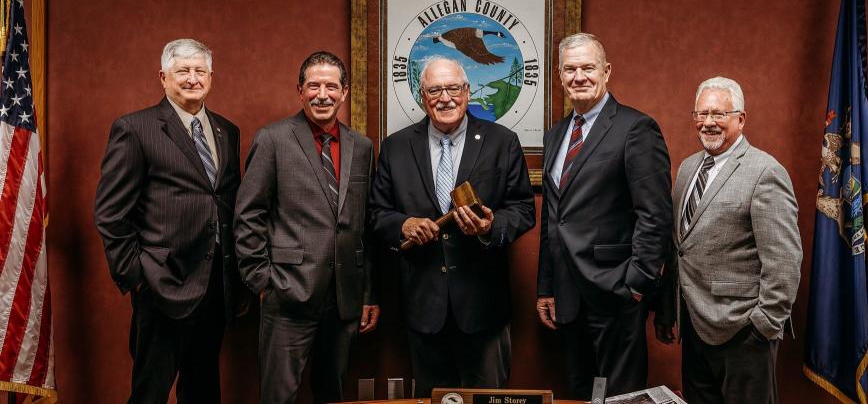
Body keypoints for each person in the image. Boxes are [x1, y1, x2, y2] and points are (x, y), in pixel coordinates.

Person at [369, 56, 535, 397]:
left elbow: (522, 209)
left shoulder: (502, 141)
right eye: (434, 90)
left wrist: (490, 226)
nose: (445, 98)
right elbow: (376, 213)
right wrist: (404, 224)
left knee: (489, 399)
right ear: (422, 95)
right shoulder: (396, 147)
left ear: (468, 92)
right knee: (433, 398)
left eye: (453, 88)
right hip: (423, 307)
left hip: (483, 307)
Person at [94, 38, 242, 404]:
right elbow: (110, 214)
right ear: (163, 77)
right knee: (150, 392)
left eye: (200, 71)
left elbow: (226, 201)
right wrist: (138, 276)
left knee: (204, 390)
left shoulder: (227, 130)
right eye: (182, 71)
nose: (192, 79)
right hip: (161, 286)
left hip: (215, 286)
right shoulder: (136, 128)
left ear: (211, 76)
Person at [234, 51, 379, 404]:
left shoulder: (361, 147)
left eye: (331, 86)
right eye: (313, 86)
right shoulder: (273, 139)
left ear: (344, 92)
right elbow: (247, 215)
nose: (322, 94)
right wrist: (262, 282)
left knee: (331, 393)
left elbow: (364, 227)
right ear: (300, 91)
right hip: (287, 295)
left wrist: (366, 294)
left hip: (343, 299)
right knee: (279, 397)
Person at [536, 32, 672, 399]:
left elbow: (655, 214)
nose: (579, 76)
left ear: (606, 71)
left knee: (620, 396)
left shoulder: (636, 128)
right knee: (580, 392)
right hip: (567, 296)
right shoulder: (556, 135)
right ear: (560, 76)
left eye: (588, 68)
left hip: (616, 292)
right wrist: (546, 286)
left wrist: (636, 284)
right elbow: (554, 219)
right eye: (570, 69)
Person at [655, 76, 802, 404]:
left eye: (718, 114)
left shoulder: (765, 172)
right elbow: (678, 248)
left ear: (740, 118)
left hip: (744, 332)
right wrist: (669, 311)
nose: (708, 123)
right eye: (701, 114)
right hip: (694, 327)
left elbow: (784, 261)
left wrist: (763, 326)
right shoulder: (688, 169)